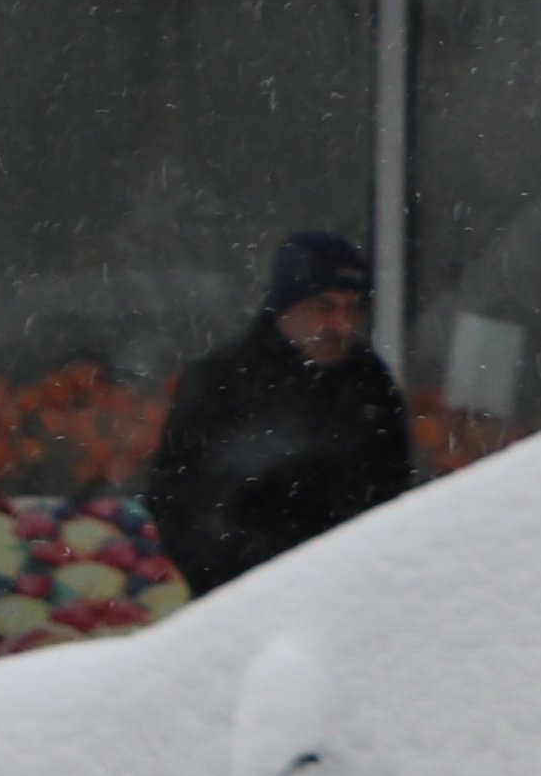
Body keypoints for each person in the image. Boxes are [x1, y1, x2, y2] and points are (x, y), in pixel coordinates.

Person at [144, 228, 414, 597]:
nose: (341, 325)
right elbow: (179, 500)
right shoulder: (222, 381)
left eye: (352, 309)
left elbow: (391, 491)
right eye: (325, 306)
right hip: (243, 596)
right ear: (286, 304)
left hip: (351, 594)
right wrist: (238, 574)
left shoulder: (369, 383)